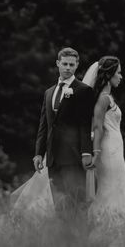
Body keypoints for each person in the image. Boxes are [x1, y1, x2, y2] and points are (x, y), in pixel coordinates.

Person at [32, 47, 94, 211]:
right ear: (58, 63)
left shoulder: (83, 90)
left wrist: (86, 152)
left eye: (71, 65)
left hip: (73, 157)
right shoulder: (48, 93)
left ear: (77, 65)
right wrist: (39, 153)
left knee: (77, 203)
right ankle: (64, 237)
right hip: (53, 158)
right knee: (59, 205)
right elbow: (44, 125)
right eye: (65, 64)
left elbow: (85, 124)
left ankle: (80, 236)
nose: (68, 67)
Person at [82, 56, 125, 231]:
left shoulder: (108, 98)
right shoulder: (103, 99)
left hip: (116, 151)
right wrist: (96, 152)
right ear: (109, 75)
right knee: (108, 189)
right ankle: (104, 230)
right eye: (118, 73)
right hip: (108, 151)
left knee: (116, 188)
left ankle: (114, 229)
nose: (121, 76)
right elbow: (97, 125)